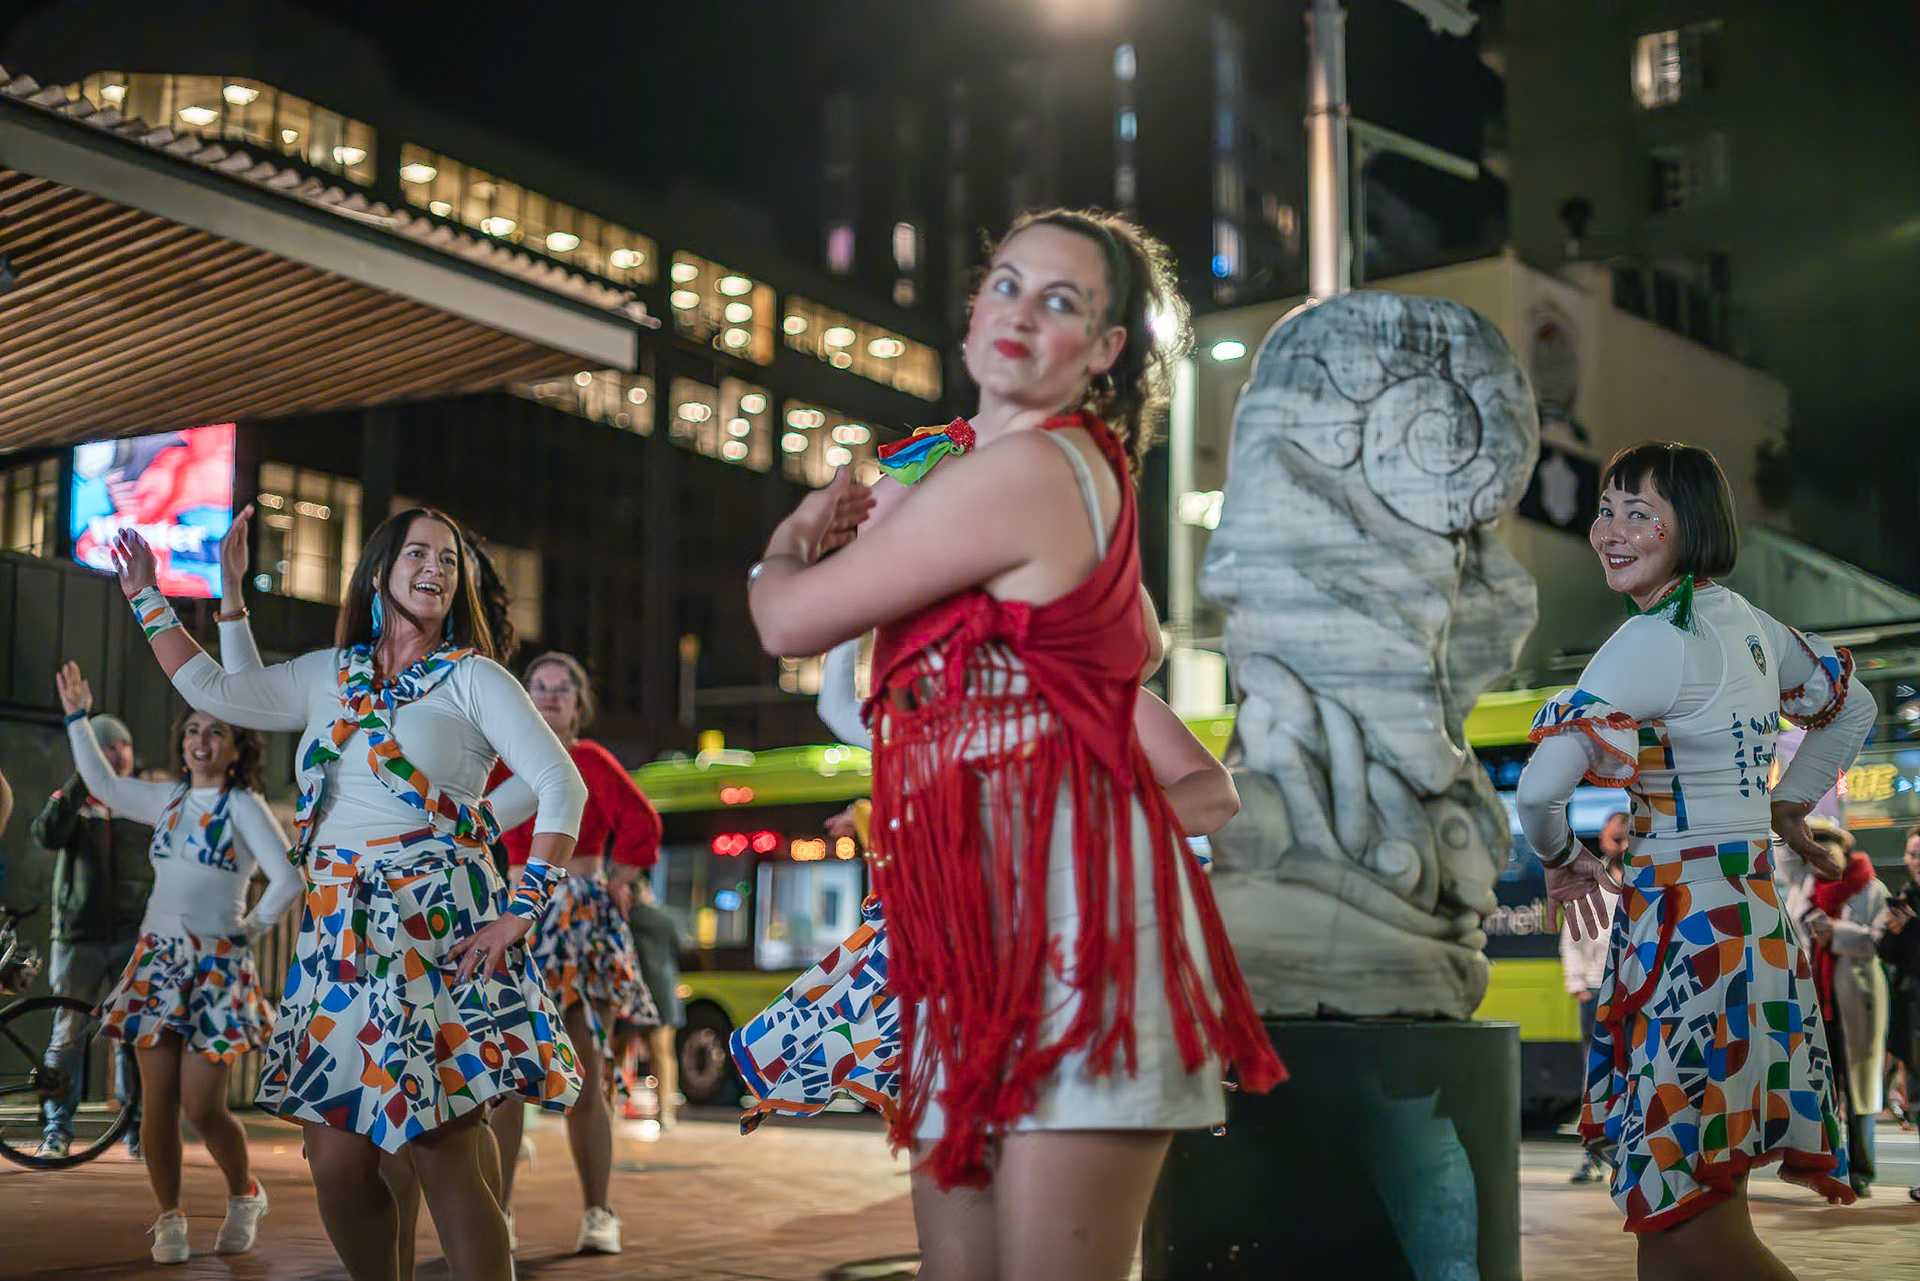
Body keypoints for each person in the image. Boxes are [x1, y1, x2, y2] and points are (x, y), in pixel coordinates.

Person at [747, 207, 1283, 1278]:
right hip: (973, 941)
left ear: (1105, 348)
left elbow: (786, 620)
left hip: (1069, 934)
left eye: (1061, 301)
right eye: (1005, 283)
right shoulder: (1016, 500)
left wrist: (792, 540)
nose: (1021, 314)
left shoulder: (1031, 469)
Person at [104, 506, 587, 1281]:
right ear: (380, 571)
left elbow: (562, 784)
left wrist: (521, 906)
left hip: (434, 926)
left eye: (450, 559)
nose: (436, 568)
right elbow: (218, 687)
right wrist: (145, 594)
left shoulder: (475, 677)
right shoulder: (329, 673)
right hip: (338, 930)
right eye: (419, 553)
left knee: (443, 1146)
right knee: (334, 1160)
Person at [1517, 441, 1874, 1280]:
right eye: (1605, 510)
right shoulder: (1753, 626)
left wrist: (1562, 856)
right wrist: (1787, 804)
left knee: (1686, 1224)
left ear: (1691, 528)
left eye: (1639, 514)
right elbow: (1850, 706)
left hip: (1685, 937)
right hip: (1752, 924)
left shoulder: (1649, 639)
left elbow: (1538, 790)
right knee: (1686, 1221)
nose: (1611, 531)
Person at [54, 662, 302, 1263]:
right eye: (193, 729)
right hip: (156, 962)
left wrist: (247, 931)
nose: (201, 740)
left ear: (237, 747)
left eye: (216, 731)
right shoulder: (167, 798)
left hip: (215, 968)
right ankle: (169, 1217)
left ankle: (244, 1193)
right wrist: (77, 719)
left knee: (202, 1105)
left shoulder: (243, 805)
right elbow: (102, 783)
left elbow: (289, 877)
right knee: (155, 1101)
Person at [484, 650, 661, 1255]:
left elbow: (642, 824)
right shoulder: (502, 763)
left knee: (586, 1071)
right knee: (504, 1077)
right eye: (539, 686)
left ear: (579, 704)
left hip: (580, 920)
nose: (551, 696)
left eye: (562, 688)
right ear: (523, 698)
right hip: (516, 918)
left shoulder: (590, 760)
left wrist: (619, 878)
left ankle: (598, 1211)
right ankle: (495, 1217)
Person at [30, 707, 154, 1159]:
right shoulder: (73, 800)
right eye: (107, 746)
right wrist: (82, 779)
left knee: (133, 1035)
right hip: (77, 939)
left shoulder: (142, 801)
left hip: (132, 938)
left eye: (124, 746)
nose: (118, 754)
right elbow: (46, 835)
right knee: (68, 1035)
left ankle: (138, 1131)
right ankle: (56, 1131)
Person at [1782, 819, 1888, 1197]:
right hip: (1815, 999)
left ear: (1844, 850)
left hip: (1858, 998)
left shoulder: (1871, 887)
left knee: (1860, 1085)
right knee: (1821, 1087)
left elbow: (1878, 941)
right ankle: (1831, 1167)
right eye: (1816, 846)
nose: (1823, 853)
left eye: (1829, 845)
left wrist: (1836, 932)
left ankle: (1862, 1171)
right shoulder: (1804, 889)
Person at [1560, 810, 1627, 1185]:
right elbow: (1572, 935)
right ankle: (1593, 1155)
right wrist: (1578, 985)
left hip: (1634, 990)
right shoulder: (1589, 882)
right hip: (1597, 988)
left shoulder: (1646, 878)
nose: (1618, 842)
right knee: (1595, 1075)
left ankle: (1630, 1153)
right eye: (1613, 835)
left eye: (1624, 836)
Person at [1877, 824, 1920, 1200]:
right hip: (1912, 1006)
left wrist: (1914, 926)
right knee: (1917, 1094)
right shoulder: (1904, 897)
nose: (1916, 861)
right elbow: (1889, 956)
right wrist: (1893, 931)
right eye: (1912, 854)